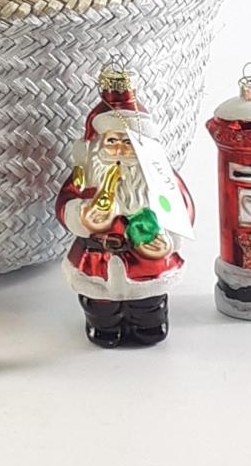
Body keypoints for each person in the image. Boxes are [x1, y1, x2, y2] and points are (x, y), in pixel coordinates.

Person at [56, 109, 193, 347]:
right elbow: (65, 203)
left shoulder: (160, 177)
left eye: (128, 142)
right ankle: (104, 326)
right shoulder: (85, 177)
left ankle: (147, 324)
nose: (119, 149)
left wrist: (168, 238)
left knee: (147, 302)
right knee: (100, 304)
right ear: (99, 144)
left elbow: (182, 209)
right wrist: (83, 215)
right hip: (97, 257)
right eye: (112, 141)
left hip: (145, 259)